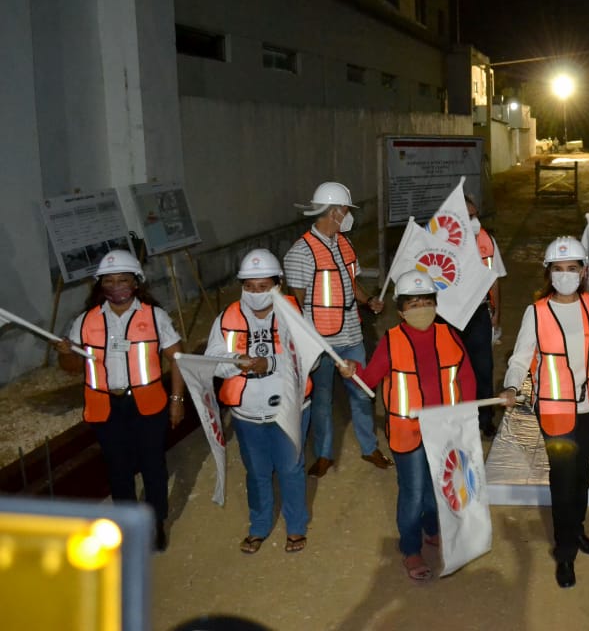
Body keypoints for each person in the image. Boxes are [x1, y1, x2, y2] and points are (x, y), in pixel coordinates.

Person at [338, 270, 476, 581]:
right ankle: (411, 549)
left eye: (426, 302)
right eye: (413, 304)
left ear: (436, 305)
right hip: (407, 432)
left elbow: (466, 376)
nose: (420, 309)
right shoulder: (392, 341)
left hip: (444, 428)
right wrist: (353, 370)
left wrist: (467, 416)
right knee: (413, 493)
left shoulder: (449, 335)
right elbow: (370, 378)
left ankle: (431, 530)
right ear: (400, 311)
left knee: (437, 487)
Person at [500, 236, 589, 588]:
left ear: (583, 272)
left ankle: (577, 529)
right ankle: (565, 551)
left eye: (572, 268)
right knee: (563, 477)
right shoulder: (535, 312)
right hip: (554, 410)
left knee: (581, 474)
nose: (565, 274)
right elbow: (521, 358)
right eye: (558, 269)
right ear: (548, 273)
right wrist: (511, 386)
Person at [54, 250, 186, 552]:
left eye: (123, 280)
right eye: (109, 281)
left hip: (147, 403)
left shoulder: (154, 316)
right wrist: (65, 354)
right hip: (105, 406)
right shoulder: (85, 321)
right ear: (100, 285)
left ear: (136, 283)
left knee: (153, 465)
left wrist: (177, 399)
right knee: (118, 468)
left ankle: (155, 524)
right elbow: (73, 368)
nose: (116, 287)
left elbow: (177, 358)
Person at [205, 249, 312, 555]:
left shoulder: (293, 313)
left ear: (278, 284)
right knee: (257, 472)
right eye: (249, 287)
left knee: (291, 469)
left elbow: (310, 359)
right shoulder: (227, 317)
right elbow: (213, 358)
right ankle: (259, 526)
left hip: (289, 408)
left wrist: (272, 364)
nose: (255, 293)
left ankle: (295, 527)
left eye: (263, 287)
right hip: (247, 411)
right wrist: (236, 361)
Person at [283, 181, 392, 477]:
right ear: (334, 212)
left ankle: (369, 448)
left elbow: (350, 284)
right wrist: (310, 337)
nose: (348, 215)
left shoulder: (345, 243)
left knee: (361, 390)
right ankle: (323, 454)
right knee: (322, 397)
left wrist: (368, 300)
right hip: (320, 339)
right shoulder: (300, 253)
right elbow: (297, 302)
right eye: (346, 210)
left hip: (351, 333)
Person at [462, 194, 506, 438]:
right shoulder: (441, 242)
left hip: (479, 313)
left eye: (476, 215)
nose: (475, 221)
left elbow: (494, 278)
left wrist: (496, 312)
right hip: (450, 316)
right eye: (469, 216)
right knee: (453, 371)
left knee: (483, 367)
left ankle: (485, 419)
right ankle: (459, 420)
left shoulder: (486, 240)